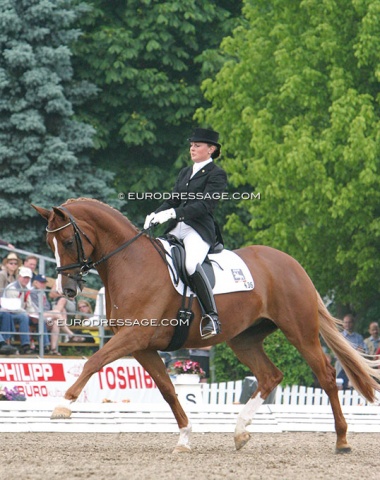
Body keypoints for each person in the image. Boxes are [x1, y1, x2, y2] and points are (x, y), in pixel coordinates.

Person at [144, 127, 227, 339]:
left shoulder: (216, 174)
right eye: (191, 145)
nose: (192, 148)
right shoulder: (185, 172)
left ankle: (211, 316)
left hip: (198, 230)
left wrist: (174, 213)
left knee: (190, 264)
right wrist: (155, 214)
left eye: (197, 145)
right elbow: (173, 200)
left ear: (211, 149)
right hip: (176, 228)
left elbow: (205, 205)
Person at [30, 274, 74, 355]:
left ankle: (53, 349)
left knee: (56, 323)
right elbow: (35, 307)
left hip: (43, 314)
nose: (43, 285)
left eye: (44, 283)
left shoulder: (42, 293)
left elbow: (46, 306)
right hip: (35, 314)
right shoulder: (32, 292)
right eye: (41, 283)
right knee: (56, 313)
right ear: (35, 283)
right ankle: (70, 334)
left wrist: (49, 314)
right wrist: (50, 314)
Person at [0, 267, 36, 354]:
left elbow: (29, 305)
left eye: (28, 278)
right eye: (24, 277)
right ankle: (5, 343)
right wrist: (27, 313)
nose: (26, 280)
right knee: (22, 316)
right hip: (8, 311)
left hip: (14, 312)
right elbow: (13, 307)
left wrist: (34, 314)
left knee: (27, 317)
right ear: (19, 277)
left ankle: (26, 345)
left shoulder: (25, 290)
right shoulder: (12, 288)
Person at [336, 314, 367, 389]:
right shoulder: (339, 336)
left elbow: (365, 350)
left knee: (355, 386)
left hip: (355, 365)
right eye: (345, 322)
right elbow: (337, 351)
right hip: (342, 364)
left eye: (349, 322)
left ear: (353, 323)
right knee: (340, 386)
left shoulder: (358, 337)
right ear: (343, 324)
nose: (347, 324)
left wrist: (361, 351)